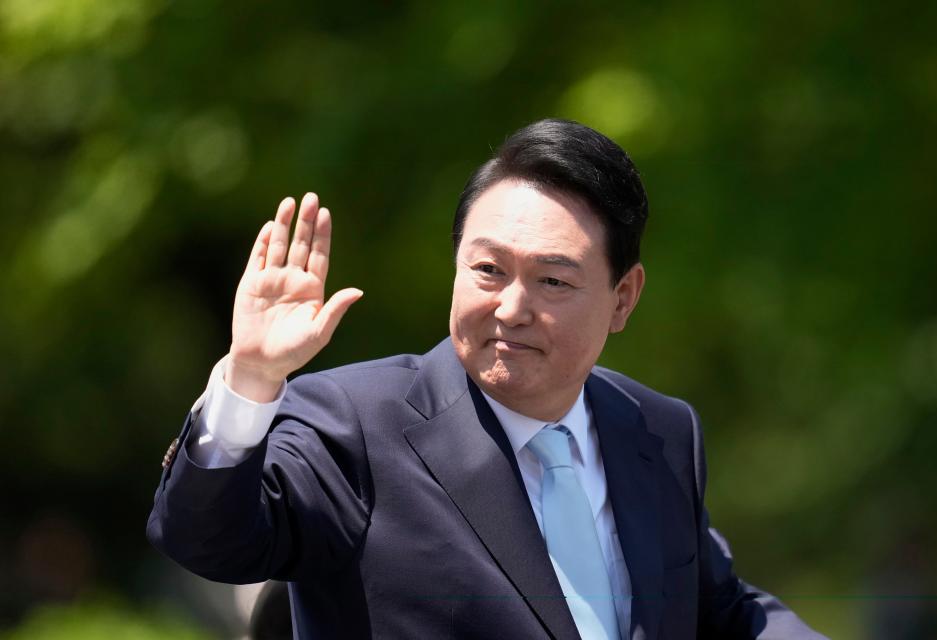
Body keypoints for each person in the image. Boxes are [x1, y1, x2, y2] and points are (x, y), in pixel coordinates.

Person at [147, 119, 827, 639]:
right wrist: (252, 379)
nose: (510, 308)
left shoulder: (658, 428)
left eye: (552, 281)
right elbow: (205, 539)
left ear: (623, 298)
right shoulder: (354, 422)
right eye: (488, 270)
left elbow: (721, 611)